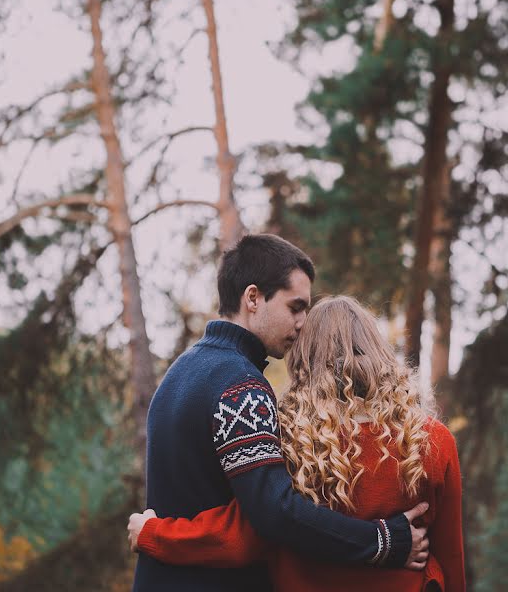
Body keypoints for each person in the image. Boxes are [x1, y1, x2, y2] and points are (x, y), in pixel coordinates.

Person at [130, 234, 430, 592]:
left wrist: (156, 536)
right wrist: (383, 541)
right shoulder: (241, 386)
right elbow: (275, 514)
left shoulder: (181, 372)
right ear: (253, 298)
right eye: (295, 307)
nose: (304, 322)